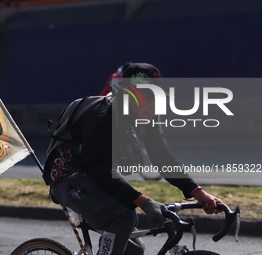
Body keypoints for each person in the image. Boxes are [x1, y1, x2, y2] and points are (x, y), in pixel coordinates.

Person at [43, 63, 223, 255]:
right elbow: (102, 172)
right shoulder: (102, 117)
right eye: (147, 97)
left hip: (96, 177)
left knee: (134, 250)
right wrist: (143, 201)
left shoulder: (146, 118)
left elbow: (163, 158)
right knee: (123, 217)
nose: (154, 104)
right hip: (67, 177)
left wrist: (198, 192)